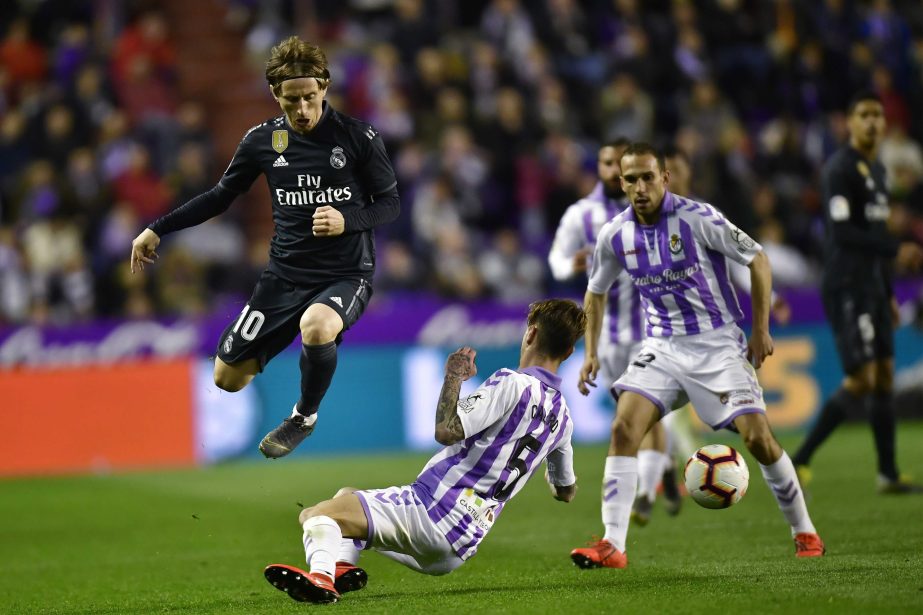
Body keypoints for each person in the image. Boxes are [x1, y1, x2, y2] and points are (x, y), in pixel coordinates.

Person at [129, 36, 400, 458]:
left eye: (310, 97)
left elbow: (390, 203)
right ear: (275, 94)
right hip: (284, 276)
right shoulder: (261, 140)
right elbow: (220, 196)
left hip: (345, 274)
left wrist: (348, 219)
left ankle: (303, 417)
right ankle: (301, 338)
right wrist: (158, 228)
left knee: (317, 325)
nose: (303, 110)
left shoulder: (357, 137)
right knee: (226, 378)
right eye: (292, 100)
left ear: (325, 86)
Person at [570, 143, 825, 570]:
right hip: (663, 348)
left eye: (647, 177)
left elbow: (758, 260)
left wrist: (760, 329)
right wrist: (590, 351)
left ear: (664, 178)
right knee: (623, 429)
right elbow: (595, 292)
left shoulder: (697, 218)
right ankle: (613, 545)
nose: (639, 187)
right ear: (621, 183)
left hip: (717, 346)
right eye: (630, 179)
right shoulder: (615, 234)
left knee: (758, 439)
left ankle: (804, 530)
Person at [263, 299, 585, 604]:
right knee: (346, 495)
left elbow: (447, 430)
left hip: (431, 512)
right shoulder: (563, 420)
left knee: (316, 515)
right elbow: (565, 491)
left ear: (530, 333)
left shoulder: (512, 384)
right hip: (459, 547)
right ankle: (342, 567)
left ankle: (321, 578)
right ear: (569, 351)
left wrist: (454, 376)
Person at [792, 92, 923, 493]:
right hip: (846, 284)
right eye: (863, 115)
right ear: (849, 123)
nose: (872, 122)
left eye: (878, 116)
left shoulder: (879, 172)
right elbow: (844, 233)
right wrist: (893, 249)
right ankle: (801, 458)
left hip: (872, 286)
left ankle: (887, 474)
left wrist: (886, 293)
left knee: (883, 375)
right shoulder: (840, 170)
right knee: (862, 377)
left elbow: (875, 234)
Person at [548, 139, 681, 525]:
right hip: (606, 336)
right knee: (631, 417)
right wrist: (569, 265)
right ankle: (662, 471)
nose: (609, 170)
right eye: (605, 163)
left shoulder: (655, 213)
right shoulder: (583, 215)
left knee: (649, 414)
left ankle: (645, 493)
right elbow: (556, 261)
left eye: (615, 164)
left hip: (651, 331)